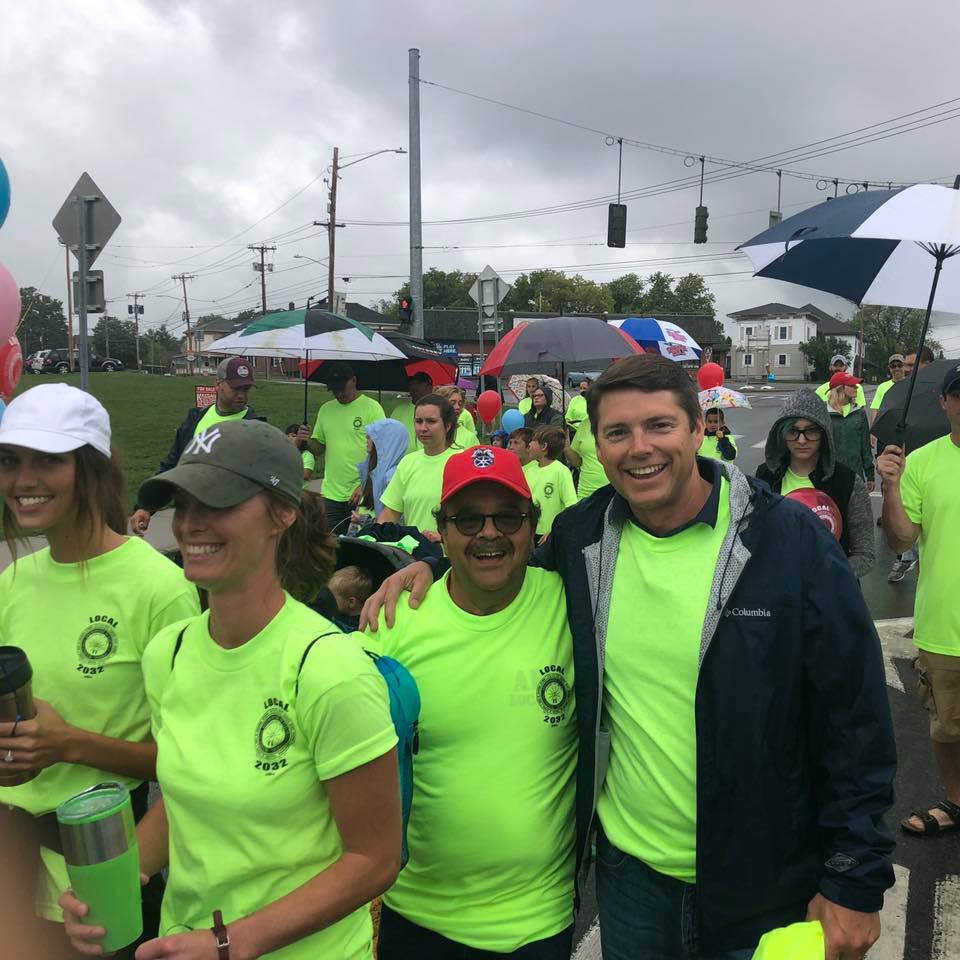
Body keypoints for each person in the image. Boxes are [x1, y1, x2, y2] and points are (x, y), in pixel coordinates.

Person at [364, 354, 897, 959]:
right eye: (617, 432)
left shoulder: (787, 541)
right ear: (597, 443)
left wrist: (855, 878)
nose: (639, 448)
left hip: (768, 877)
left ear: (699, 429)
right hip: (633, 882)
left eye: (659, 426)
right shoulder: (582, 536)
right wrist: (428, 569)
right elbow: (497, 556)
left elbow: (854, 717)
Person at [63, 418, 401, 959]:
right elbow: (183, 800)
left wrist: (232, 942)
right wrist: (123, 876)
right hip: (184, 942)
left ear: (282, 514)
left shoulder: (331, 668)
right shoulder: (168, 654)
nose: (191, 524)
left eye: (217, 504)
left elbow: (375, 860)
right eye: (184, 504)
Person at [0, 383, 200, 958]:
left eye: (47, 460)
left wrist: (70, 744)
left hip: (96, 876)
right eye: (11, 460)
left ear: (92, 468)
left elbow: (190, 759)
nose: (23, 480)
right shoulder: (14, 580)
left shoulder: (159, 588)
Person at [370, 445, 577, 959]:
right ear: (441, 528)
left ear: (533, 527)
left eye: (508, 516)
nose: (489, 533)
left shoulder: (577, 606)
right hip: (417, 916)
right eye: (467, 518)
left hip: (538, 922)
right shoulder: (393, 624)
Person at [878, 361, 960, 837]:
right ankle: (956, 800)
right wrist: (890, 486)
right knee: (948, 728)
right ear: (945, 402)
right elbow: (903, 541)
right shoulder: (923, 463)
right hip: (944, 626)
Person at [129, 355, 256, 535]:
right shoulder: (196, 420)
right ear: (218, 385)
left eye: (246, 388)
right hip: (192, 518)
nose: (242, 395)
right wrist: (146, 507)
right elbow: (173, 465)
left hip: (232, 524)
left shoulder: (255, 428)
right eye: (235, 388)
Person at [756, 390, 876, 578]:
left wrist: (824, 573)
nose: (801, 440)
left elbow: (865, 554)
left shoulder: (847, 481)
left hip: (831, 596)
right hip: (779, 591)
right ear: (781, 433)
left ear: (824, 433)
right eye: (793, 431)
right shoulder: (766, 476)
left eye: (811, 431)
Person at [307, 361, 385, 534]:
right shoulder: (326, 409)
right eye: (334, 389)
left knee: (361, 544)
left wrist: (365, 485)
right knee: (332, 544)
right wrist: (305, 440)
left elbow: (382, 451)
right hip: (331, 492)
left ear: (354, 381)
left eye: (342, 387)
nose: (339, 393)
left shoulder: (372, 408)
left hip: (362, 492)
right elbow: (319, 448)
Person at [379, 394, 459, 539]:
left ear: (447, 425)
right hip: (415, 556)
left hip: (452, 557)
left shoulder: (462, 461)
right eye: (418, 421)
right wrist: (376, 537)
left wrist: (444, 538)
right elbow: (390, 513)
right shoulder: (408, 462)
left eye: (431, 421)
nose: (423, 428)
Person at [886, 346, 934, 582]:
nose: (905, 370)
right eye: (904, 365)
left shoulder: (943, 397)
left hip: (932, 469)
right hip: (908, 466)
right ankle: (905, 558)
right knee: (904, 520)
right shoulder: (902, 393)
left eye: (911, 365)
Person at [825, 371, 876, 490]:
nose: (856, 387)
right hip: (829, 477)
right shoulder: (823, 413)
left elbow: (865, 446)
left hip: (855, 477)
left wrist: (870, 475)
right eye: (851, 385)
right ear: (840, 388)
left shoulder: (859, 413)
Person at [529, 425, 577, 543]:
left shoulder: (561, 472)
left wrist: (553, 530)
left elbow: (571, 506)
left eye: (533, 441)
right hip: (529, 532)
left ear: (544, 446)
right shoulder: (529, 470)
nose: (529, 444)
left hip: (549, 537)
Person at [355, 418, 409, 518]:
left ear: (386, 441)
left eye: (372, 436)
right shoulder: (370, 470)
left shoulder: (392, 477)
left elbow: (396, 522)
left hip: (381, 532)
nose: (366, 437)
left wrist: (363, 520)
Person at [390, 372, 434, 453]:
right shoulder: (399, 409)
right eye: (412, 383)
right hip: (402, 461)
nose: (414, 386)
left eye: (418, 383)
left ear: (429, 387)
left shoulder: (437, 410)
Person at [566, 417, 608, 500]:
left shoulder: (619, 422)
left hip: (615, 492)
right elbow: (577, 463)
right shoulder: (584, 424)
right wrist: (566, 448)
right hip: (586, 493)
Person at [869, 353, 905, 426]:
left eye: (899, 365)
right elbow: (875, 410)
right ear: (889, 368)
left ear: (904, 366)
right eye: (893, 366)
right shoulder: (882, 387)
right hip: (887, 427)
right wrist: (873, 430)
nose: (897, 368)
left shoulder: (911, 384)